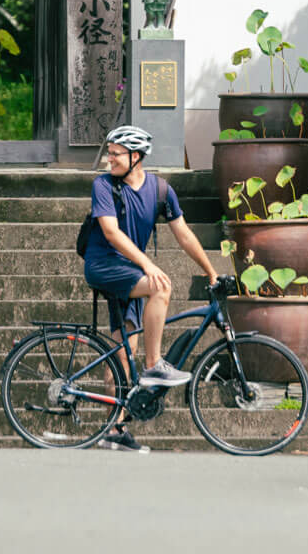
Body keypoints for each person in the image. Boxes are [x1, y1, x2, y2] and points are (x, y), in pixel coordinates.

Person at [83, 124, 220, 453]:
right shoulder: (103, 186)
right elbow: (111, 233)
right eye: (109, 153)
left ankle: (113, 430)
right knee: (160, 287)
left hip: (129, 272)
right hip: (104, 266)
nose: (108, 160)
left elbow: (184, 234)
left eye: (115, 154)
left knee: (120, 352)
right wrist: (148, 264)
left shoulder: (161, 190)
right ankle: (155, 364)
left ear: (135, 157)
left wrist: (211, 271)